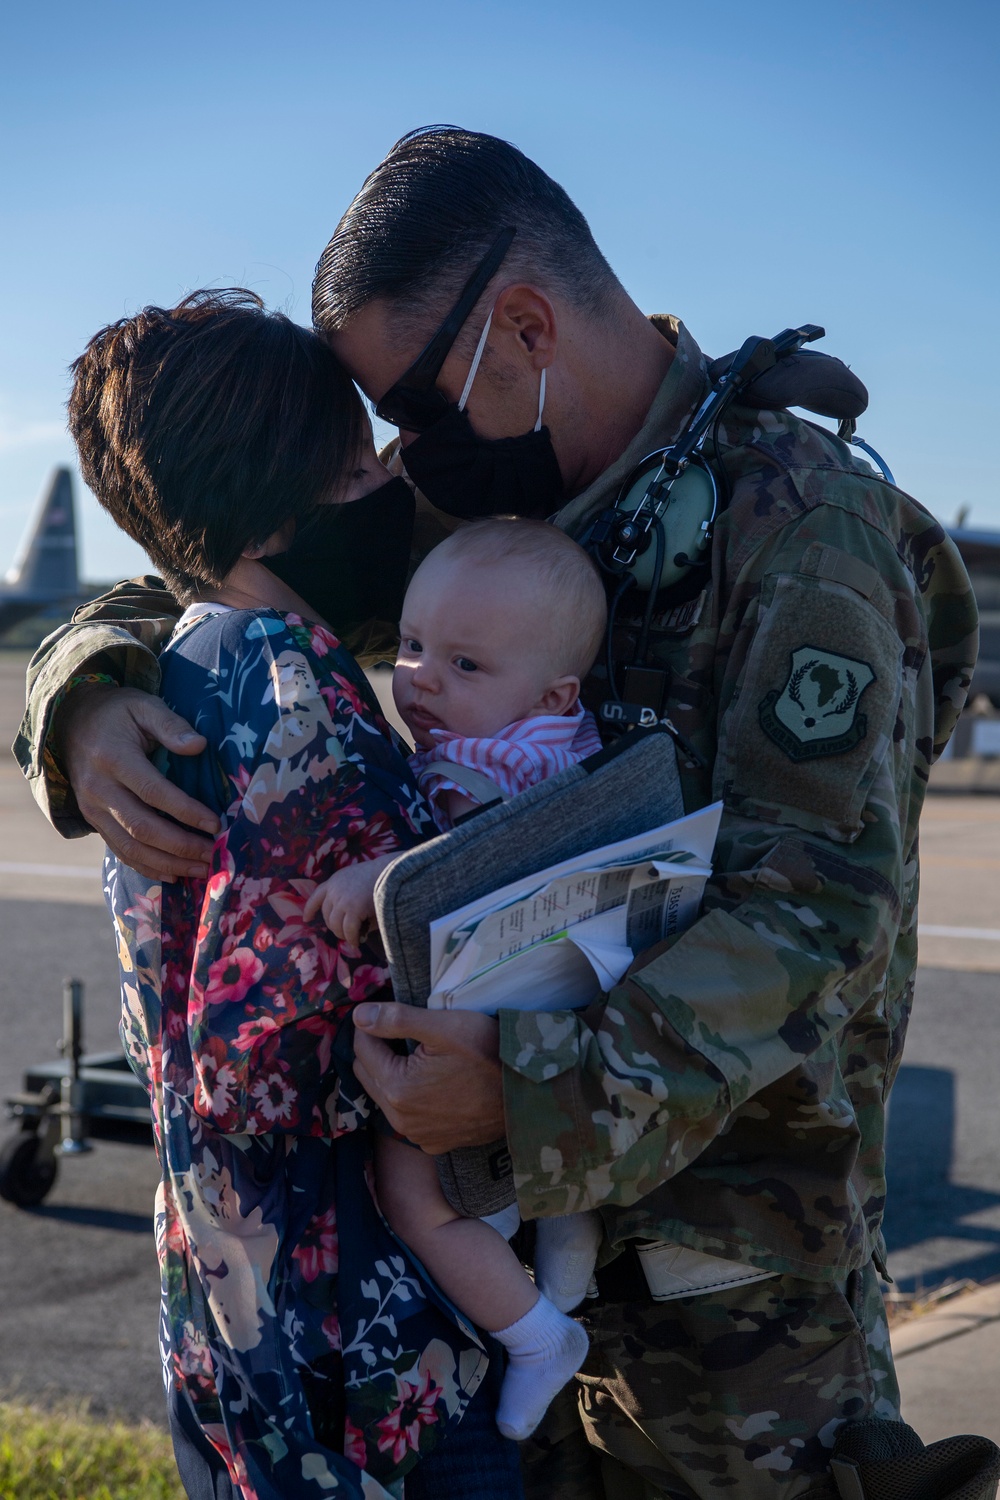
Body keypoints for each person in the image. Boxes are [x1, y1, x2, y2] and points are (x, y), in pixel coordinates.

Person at [16, 129, 979, 1498]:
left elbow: (816, 916)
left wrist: (527, 1096)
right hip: (496, 1286)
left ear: (521, 327)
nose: (400, 460)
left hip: (726, 1317)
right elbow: (224, 561)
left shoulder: (801, 531)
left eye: (411, 406)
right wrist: (85, 690)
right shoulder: (493, 489)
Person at [65, 288, 526, 1500]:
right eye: (355, 455)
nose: (385, 476)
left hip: (234, 1304)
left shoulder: (182, 667)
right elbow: (309, 1054)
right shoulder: (294, 694)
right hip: (366, 1346)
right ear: (291, 488)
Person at [309, 518, 610, 1444]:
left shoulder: (500, 765)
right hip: (564, 1031)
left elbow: (484, 855)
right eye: (409, 645)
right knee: (534, 1184)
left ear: (551, 690)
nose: (421, 678)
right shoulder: (561, 737)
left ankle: (536, 1337)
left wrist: (381, 876)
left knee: (411, 1194)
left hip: (507, 1040)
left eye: (465, 665)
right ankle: (566, 1247)